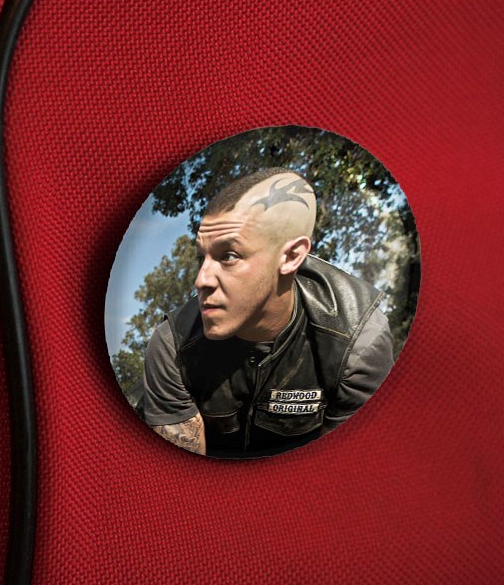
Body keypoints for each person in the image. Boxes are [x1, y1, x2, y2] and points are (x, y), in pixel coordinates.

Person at [142, 167, 394, 458]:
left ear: (291, 257)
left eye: (229, 255)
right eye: (202, 257)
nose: (201, 280)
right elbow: (180, 473)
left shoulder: (357, 343)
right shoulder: (173, 344)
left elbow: (345, 469)